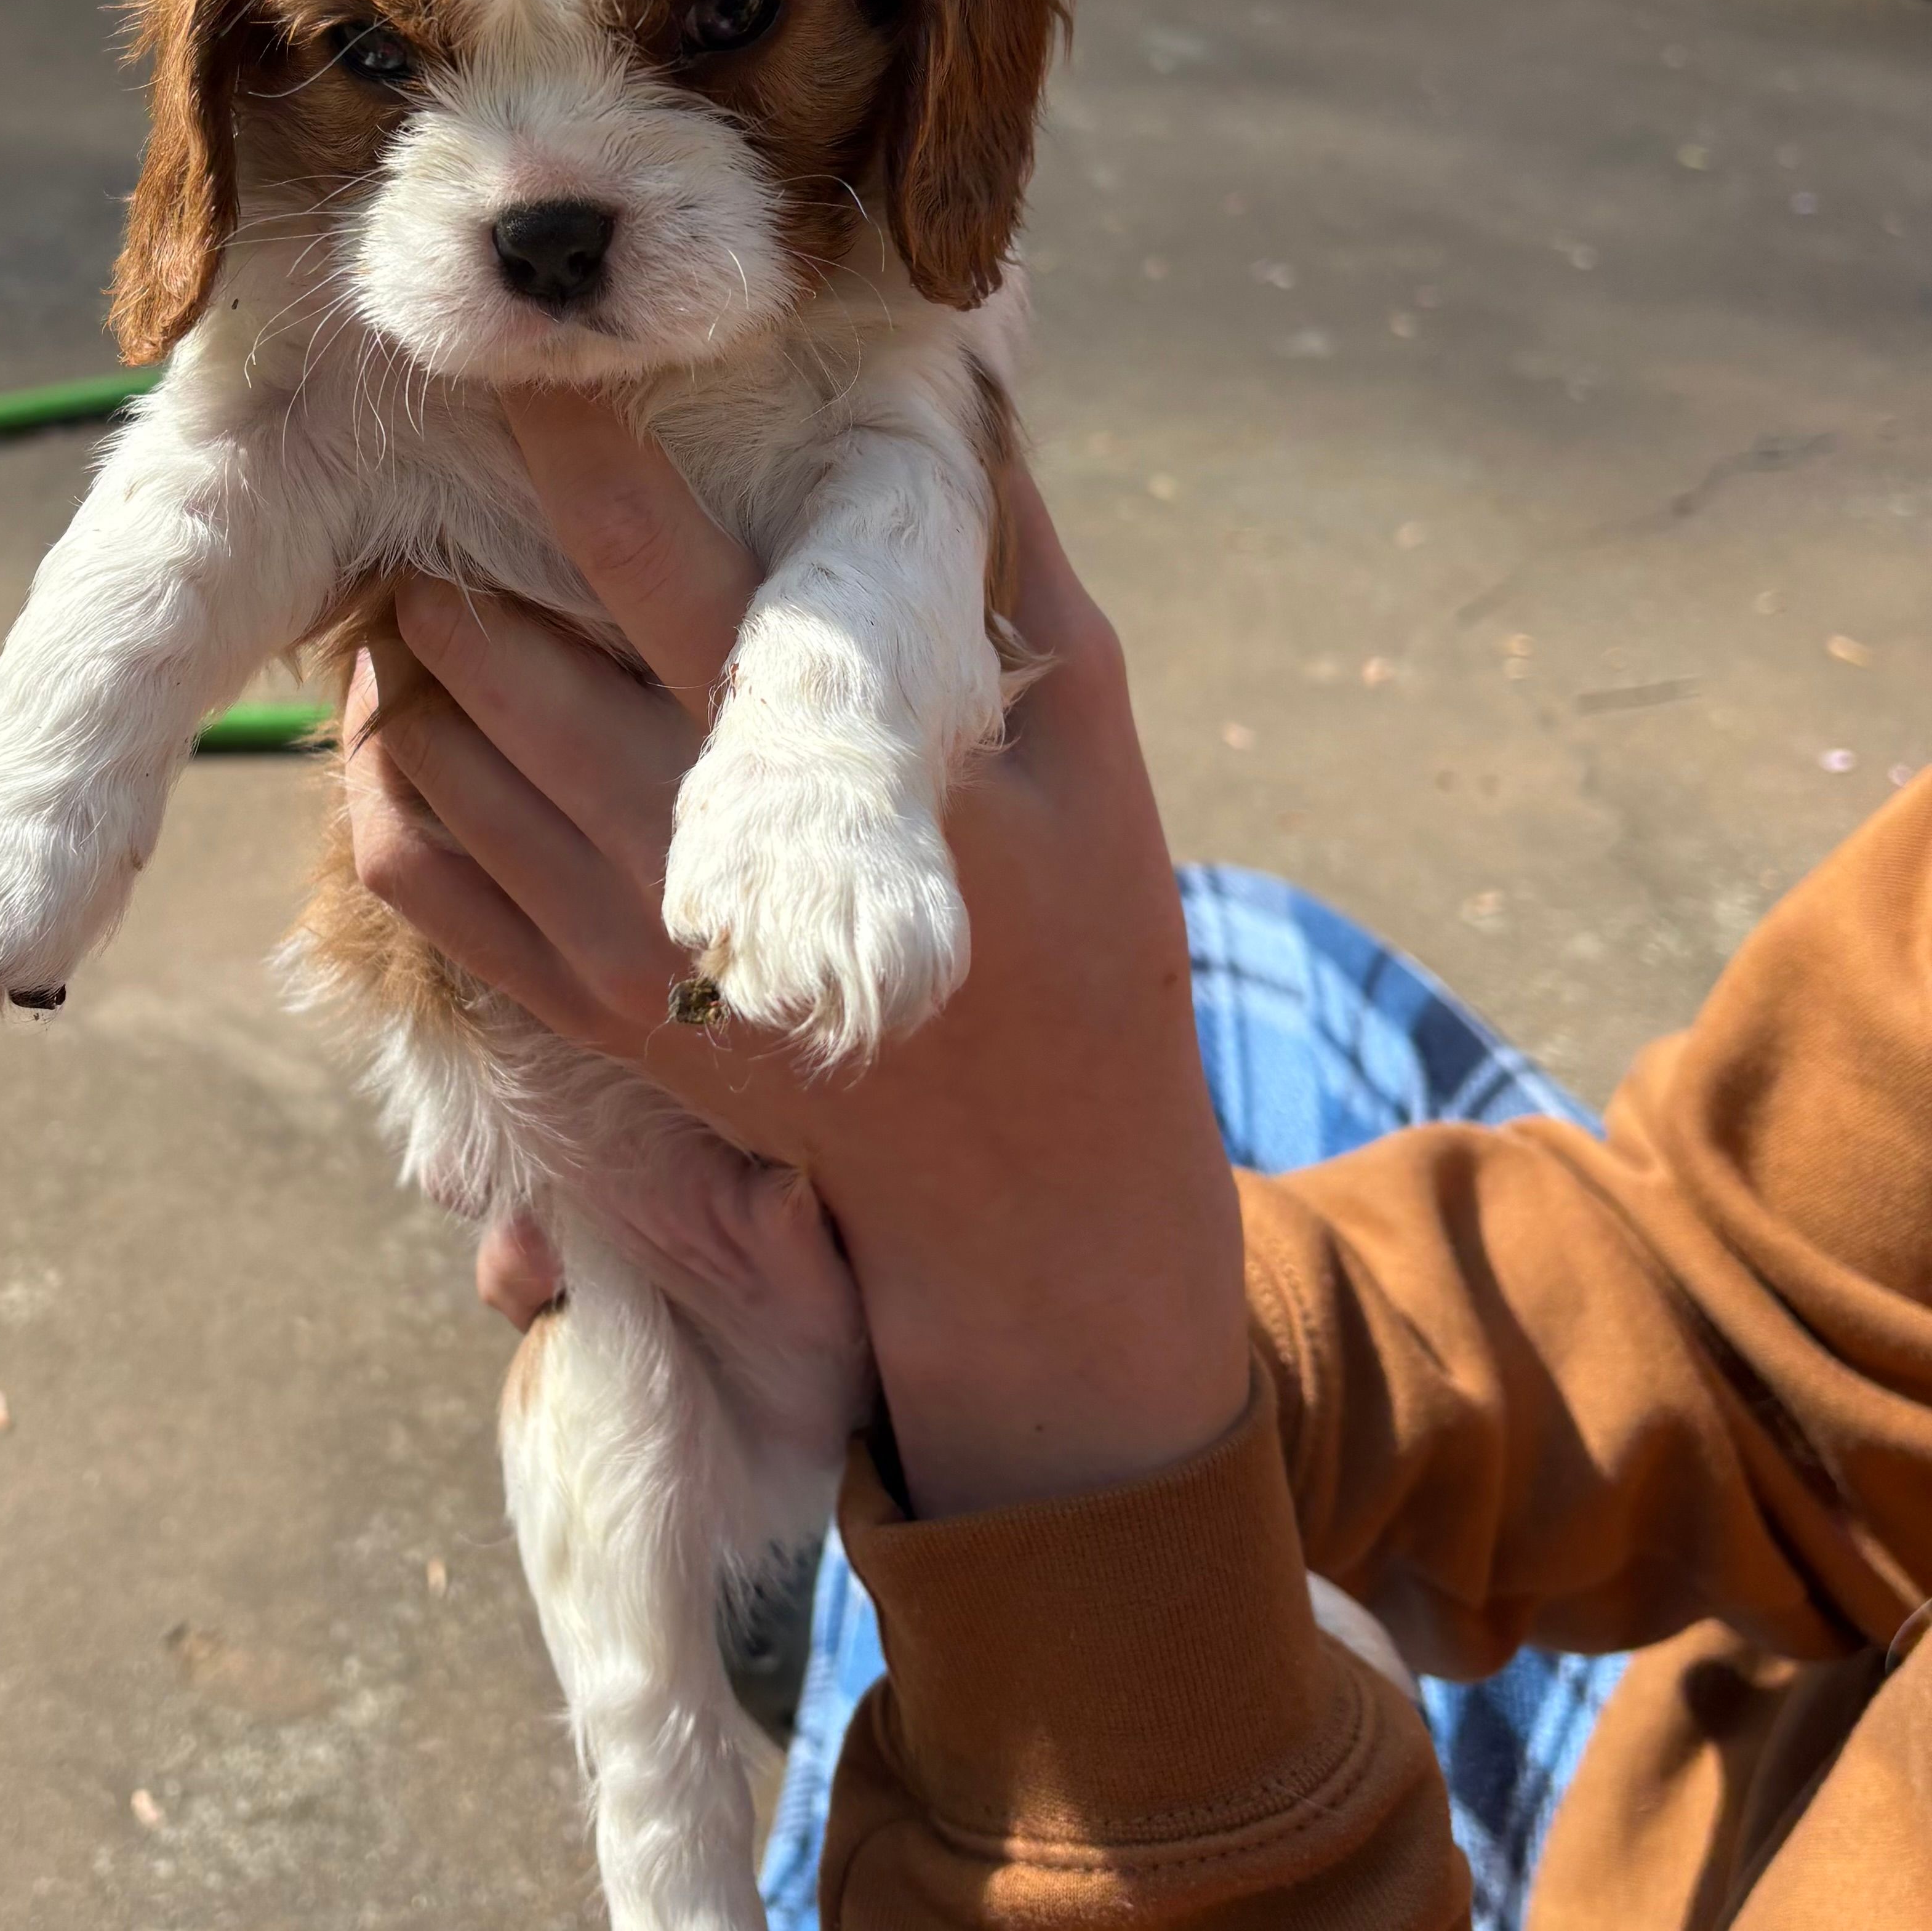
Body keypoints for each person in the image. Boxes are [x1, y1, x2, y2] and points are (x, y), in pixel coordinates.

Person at [337, 387, 1932, 1930]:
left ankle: (834, 1571)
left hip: (1243, 1857)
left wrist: (1045, 1317)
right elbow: (1767, 1306)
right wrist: (1096, 1192)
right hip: (1733, 1726)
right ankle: (831, 1500)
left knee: (965, 969)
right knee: (1212, 947)